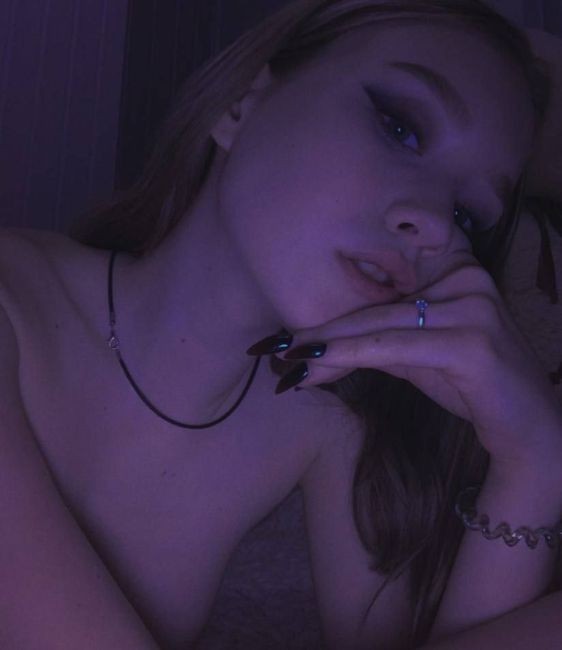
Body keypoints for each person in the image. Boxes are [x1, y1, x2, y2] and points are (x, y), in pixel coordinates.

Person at [1, 1, 560, 649]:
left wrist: (534, 463)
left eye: (467, 216)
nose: (435, 224)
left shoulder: (319, 420)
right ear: (242, 101)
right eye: (400, 128)